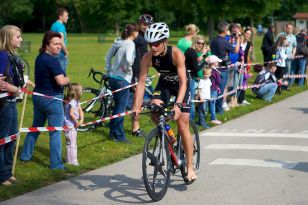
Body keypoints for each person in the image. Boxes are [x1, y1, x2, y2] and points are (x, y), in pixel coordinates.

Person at [132, 22, 197, 182]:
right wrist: (136, 108)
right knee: (155, 112)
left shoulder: (176, 54)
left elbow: (183, 83)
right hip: (165, 84)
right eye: (150, 44)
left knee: (182, 124)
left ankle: (190, 167)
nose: (153, 47)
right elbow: (141, 82)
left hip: (182, 86)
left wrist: (178, 105)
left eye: (156, 43)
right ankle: (170, 137)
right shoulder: (148, 57)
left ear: (164, 42)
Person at [20, 31, 70, 169]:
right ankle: (56, 165)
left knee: (35, 127)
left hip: (38, 98)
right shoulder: (52, 60)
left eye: (60, 44)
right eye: (55, 44)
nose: (59, 46)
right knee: (55, 132)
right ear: (47, 45)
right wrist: (68, 79)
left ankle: (25, 155)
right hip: (52, 100)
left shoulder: (40, 57)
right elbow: (60, 81)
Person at [105, 23, 139, 144]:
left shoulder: (117, 42)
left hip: (112, 78)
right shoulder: (130, 44)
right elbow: (129, 60)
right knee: (121, 108)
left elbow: (107, 58)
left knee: (116, 107)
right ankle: (119, 136)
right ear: (134, 33)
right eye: (137, 32)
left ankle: (112, 132)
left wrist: (108, 71)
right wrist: (128, 70)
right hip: (122, 79)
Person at [0, 25, 24, 186]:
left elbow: (12, 77)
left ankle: (7, 172)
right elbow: (2, 82)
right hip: (4, 103)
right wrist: (15, 89)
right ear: (8, 39)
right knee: (3, 139)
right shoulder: (2, 56)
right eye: (18, 36)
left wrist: (23, 81)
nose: (21, 39)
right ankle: (1, 175)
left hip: (12, 102)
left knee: (12, 138)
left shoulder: (11, 55)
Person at [131, 14, 154, 137]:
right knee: (137, 100)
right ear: (139, 24)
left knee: (137, 99)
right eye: (144, 24)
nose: (146, 27)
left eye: (148, 25)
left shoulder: (145, 37)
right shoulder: (139, 38)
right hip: (136, 71)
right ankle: (135, 128)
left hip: (141, 70)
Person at [210, 21, 240, 115]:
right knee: (221, 90)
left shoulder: (214, 40)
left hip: (214, 67)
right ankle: (219, 109)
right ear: (226, 30)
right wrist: (238, 39)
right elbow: (236, 50)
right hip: (222, 69)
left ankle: (212, 109)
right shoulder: (224, 42)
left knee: (214, 89)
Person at [184, 35, 209, 121]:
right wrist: (205, 61)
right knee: (190, 101)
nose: (201, 45)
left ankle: (187, 120)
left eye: (202, 44)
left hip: (188, 77)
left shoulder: (190, 50)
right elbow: (197, 68)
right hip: (189, 78)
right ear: (195, 42)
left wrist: (203, 55)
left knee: (187, 99)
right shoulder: (192, 52)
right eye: (199, 43)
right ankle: (190, 121)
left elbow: (194, 61)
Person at [64, 83, 84, 165]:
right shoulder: (72, 101)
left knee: (69, 143)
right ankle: (74, 161)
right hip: (70, 126)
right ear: (77, 92)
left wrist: (82, 119)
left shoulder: (76, 101)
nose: (82, 92)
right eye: (81, 91)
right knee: (72, 144)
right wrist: (77, 122)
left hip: (70, 125)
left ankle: (68, 160)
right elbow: (71, 114)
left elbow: (80, 110)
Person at [238, 27, 254, 105]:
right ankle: (235, 100)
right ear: (244, 33)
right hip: (237, 65)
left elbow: (246, 55)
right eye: (247, 33)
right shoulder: (239, 42)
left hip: (244, 65)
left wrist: (247, 67)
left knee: (244, 82)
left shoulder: (248, 44)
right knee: (238, 83)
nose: (248, 35)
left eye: (249, 34)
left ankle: (242, 99)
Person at [50, 7, 69, 72]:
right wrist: (66, 52)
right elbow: (61, 41)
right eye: (66, 16)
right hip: (60, 53)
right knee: (61, 75)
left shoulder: (54, 25)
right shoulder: (60, 26)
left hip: (53, 52)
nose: (67, 17)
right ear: (60, 16)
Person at [206, 55, 222, 125]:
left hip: (210, 88)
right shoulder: (215, 71)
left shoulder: (208, 69)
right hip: (213, 89)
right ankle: (213, 118)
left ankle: (208, 115)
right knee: (212, 103)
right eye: (217, 62)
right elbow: (218, 81)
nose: (218, 63)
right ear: (213, 63)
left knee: (208, 103)